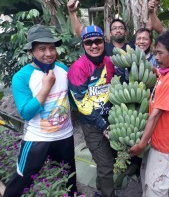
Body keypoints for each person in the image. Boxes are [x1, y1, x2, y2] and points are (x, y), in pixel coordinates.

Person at [4, 25, 77, 197]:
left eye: (52, 48)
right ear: (31, 51)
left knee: (68, 180)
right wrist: (46, 88)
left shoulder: (63, 69)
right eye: (42, 49)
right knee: (21, 181)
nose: (49, 53)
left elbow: (72, 100)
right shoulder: (22, 77)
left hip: (65, 136)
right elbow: (26, 113)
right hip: (36, 140)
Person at [129, 29, 169, 196]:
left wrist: (141, 144)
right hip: (157, 139)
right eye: (155, 53)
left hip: (162, 142)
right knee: (149, 179)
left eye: (160, 53)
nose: (156, 57)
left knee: (156, 186)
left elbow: (155, 115)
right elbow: (162, 78)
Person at [67, 25, 116, 197]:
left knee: (109, 159)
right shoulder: (78, 68)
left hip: (111, 118)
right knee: (105, 164)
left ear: (104, 42)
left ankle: (100, 192)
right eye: (89, 42)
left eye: (97, 41)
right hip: (91, 122)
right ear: (83, 44)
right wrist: (103, 125)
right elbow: (82, 102)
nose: (94, 46)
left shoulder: (110, 63)